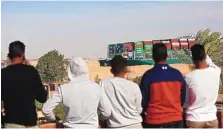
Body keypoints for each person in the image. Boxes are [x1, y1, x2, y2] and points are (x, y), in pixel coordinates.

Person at [42, 57, 111, 128]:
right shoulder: (97, 88)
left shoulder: (63, 89)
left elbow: (46, 110)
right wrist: (99, 119)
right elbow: (107, 112)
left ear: (70, 71)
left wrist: (54, 119)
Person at [1, 41, 48, 128]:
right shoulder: (31, 71)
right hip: (28, 124)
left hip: (10, 124)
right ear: (23, 54)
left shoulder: (3, 73)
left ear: (10, 55)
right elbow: (42, 98)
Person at [140, 43, 186, 128]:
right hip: (176, 120)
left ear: (153, 56)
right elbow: (182, 98)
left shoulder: (148, 76)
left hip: (154, 120)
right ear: (167, 56)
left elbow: (143, 100)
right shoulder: (177, 74)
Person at [99, 55, 143, 128]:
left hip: (116, 126)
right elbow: (138, 109)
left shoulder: (104, 84)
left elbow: (105, 110)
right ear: (126, 69)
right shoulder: (134, 86)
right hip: (136, 124)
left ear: (111, 70)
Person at [184, 44, 221, 128]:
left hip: (194, 119)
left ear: (193, 60)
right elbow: (210, 63)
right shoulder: (216, 72)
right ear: (205, 56)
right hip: (211, 118)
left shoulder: (189, 77)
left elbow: (186, 100)